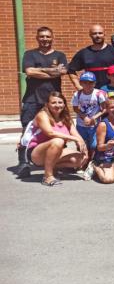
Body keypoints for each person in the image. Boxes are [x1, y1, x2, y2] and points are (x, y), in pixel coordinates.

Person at [18, 27, 68, 177]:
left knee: (58, 130)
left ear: (52, 38)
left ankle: (56, 163)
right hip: (32, 100)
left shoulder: (60, 55)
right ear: (37, 38)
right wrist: (52, 72)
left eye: (47, 37)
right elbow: (30, 72)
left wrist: (40, 71)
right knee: (27, 131)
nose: (45, 39)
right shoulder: (29, 54)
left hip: (53, 101)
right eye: (42, 37)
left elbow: (63, 71)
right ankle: (23, 163)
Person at [25, 92, 88, 186]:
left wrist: (84, 147)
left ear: (64, 104)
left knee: (80, 159)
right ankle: (47, 177)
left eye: (60, 102)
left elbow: (77, 135)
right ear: (47, 104)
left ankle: (52, 168)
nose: (57, 105)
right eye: (53, 103)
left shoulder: (66, 118)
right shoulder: (42, 115)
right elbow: (50, 133)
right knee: (58, 140)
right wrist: (74, 139)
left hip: (56, 150)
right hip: (36, 152)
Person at [68, 24, 114, 91]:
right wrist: (78, 86)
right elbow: (70, 69)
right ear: (90, 35)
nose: (97, 36)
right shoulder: (83, 53)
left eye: (100, 33)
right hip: (91, 93)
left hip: (111, 92)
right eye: (94, 33)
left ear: (104, 34)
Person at [71, 71, 106, 162]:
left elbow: (104, 109)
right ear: (81, 83)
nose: (88, 85)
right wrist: (84, 117)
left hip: (95, 124)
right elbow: (75, 108)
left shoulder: (99, 94)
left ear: (94, 83)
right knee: (82, 143)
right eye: (85, 82)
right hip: (81, 124)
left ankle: (92, 162)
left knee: (94, 145)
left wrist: (94, 117)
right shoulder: (77, 94)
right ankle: (82, 162)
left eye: (90, 82)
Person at [92, 96, 114, 184]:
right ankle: (95, 166)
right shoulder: (103, 124)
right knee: (109, 180)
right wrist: (107, 146)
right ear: (107, 109)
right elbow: (99, 147)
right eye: (112, 107)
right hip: (107, 157)